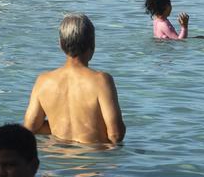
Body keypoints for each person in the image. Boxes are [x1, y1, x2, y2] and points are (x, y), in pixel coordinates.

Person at [22, 14, 126, 144]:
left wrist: (58, 126)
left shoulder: (43, 81)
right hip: (94, 160)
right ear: (92, 44)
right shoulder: (101, 80)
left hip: (56, 158)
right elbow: (115, 135)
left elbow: (30, 128)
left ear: (61, 44)